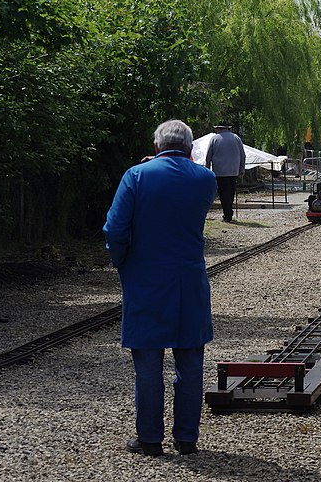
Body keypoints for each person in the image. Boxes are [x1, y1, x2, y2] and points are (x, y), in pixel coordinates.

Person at [103, 119, 217, 457]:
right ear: (189, 148)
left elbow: (114, 230)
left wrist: (122, 262)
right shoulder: (206, 179)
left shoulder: (136, 176)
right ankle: (186, 438)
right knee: (191, 360)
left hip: (146, 280)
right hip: (189, 282)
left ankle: (150, 439)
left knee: (149, 364)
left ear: (156, 146)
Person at [205, 125, 245, 222]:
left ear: (219, 128)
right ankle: (228, 213)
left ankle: (227, 214)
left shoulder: (214, 139)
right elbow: (242, 155)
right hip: (233, 170)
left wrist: (207, 169)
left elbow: (208, 156)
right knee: (231, 192)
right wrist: (241, 169)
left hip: (219, 171)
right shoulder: (236, 138)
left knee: (223, 193)